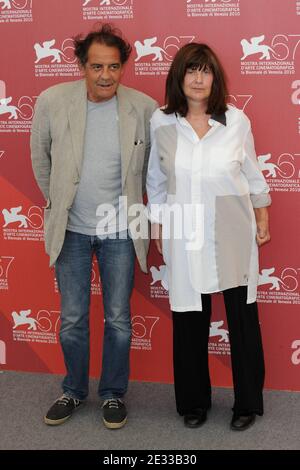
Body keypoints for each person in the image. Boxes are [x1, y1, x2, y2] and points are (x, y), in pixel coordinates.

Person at [31, 24, 157, 429]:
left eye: (114, 66)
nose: (106, 75)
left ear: (124, 66)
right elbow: (40, 159)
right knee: (72, 318)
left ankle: (113, 393)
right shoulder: (52, 101)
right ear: (81, 65)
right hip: (72, 229)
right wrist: (61, 202)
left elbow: (152, 169)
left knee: (119, 318)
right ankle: (72, 389)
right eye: (97, 66)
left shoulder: (144, 107)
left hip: (121, 230)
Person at [146, 43, 271, 431]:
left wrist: (262, 218)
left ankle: (247, 402)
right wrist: (158, 230)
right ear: (178, 77)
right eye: (190, 70)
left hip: (232, 230)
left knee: (242, 320)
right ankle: (194, 403)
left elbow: (251, 174)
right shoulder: (161, 122)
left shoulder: (236, 120)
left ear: (215, 78)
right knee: (188, 320)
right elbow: (157, 179)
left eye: (206, 71)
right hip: (183, 232)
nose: (198, 78)